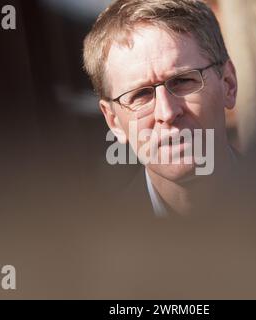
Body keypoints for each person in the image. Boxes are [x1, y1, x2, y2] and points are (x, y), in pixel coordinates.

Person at [83, 0, 238, 217]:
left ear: (228, 85)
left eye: (183, 81)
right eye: (141, 95)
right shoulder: (95, 247)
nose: (166, 113)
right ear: (113, 121)